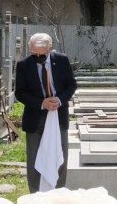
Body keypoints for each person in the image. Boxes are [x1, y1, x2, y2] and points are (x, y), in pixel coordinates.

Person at [14, 32, 77, 193]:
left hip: (58, 116)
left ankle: (58, 194)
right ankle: (35, 195)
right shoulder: (24, 65)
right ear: (30, 50)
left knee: (60, 157)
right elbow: (20, 93)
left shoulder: (61, 60)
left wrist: (60, 100)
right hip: (36, 117)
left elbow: (71, 85)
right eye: (35, 54)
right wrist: (42, 103)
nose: (39, 58)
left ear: (50, 49)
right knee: (35, 159)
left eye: (42, 55)